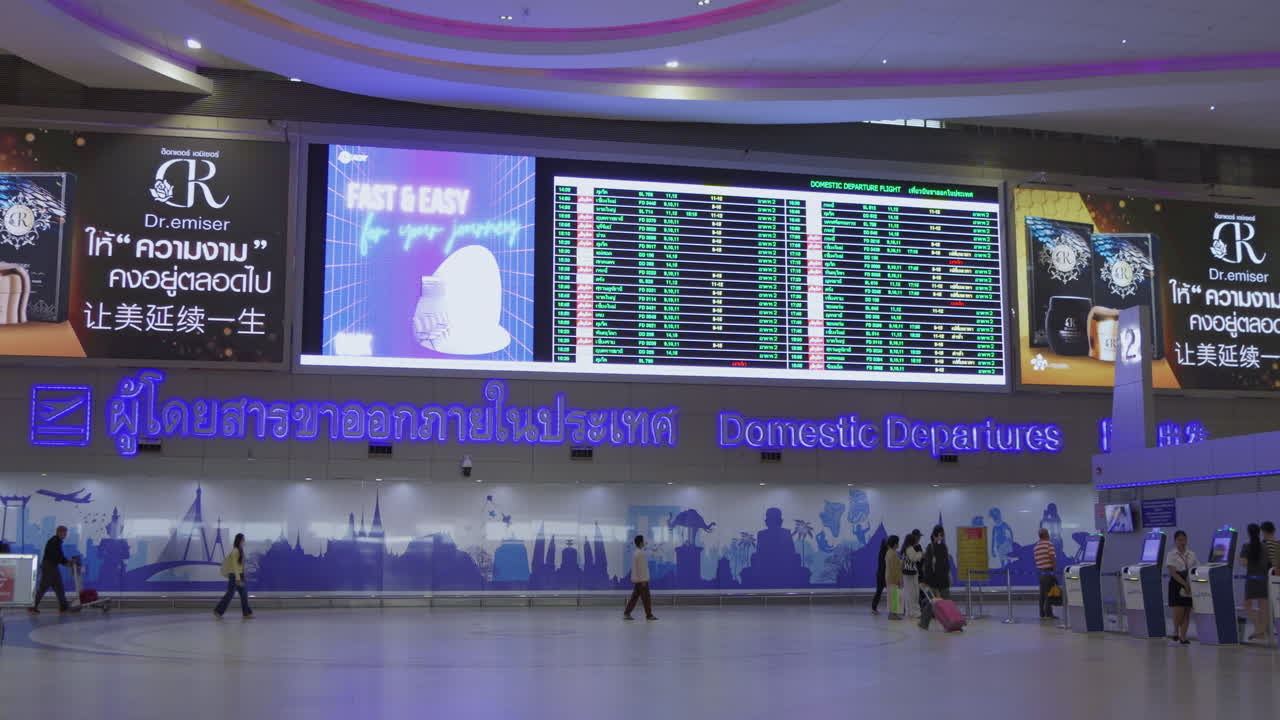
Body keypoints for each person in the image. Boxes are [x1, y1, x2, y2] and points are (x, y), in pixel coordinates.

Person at [28, 526, 72, 615]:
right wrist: (66, 562)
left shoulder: (57, 541)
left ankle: (64, 607)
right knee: (43, 587)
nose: (65, 535)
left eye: (66, 533)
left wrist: (66, 562)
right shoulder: (54, 542)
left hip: (52, 567)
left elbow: (58, 556)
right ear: (59, 532)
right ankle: (32, 607)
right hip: (49, 567)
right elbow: (56, 556)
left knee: (59, 587)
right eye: (64, 533)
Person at [1166, 530, 1196, 645]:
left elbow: (1196, 568)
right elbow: (1173, 572)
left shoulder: (1191, 554)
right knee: (1179, 611)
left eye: (1184, 539)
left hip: (1189, 582)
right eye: (1179, 540)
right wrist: (1184, 584)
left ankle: (1183, 636)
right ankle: (1175, 631)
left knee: (1187, 611)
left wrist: (1190, 583)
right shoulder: (1171, 554)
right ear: (1175, 541)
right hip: (1177, 583)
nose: (1182, 542)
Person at [214, 533, 254, 620]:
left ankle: (246, 613)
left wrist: (244, 573)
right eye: (243, 539)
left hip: (239, 575)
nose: (244, 541)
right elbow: (235, 566)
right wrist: (238, 578)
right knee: (230, 594)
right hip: (235, 576)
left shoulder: (240, 550)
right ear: (239, 540)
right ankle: (218, 611)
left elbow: (240, 565)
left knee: (243, 595)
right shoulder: (235, 551)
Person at [1240, 523, 1269, 640]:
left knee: (1247, 604)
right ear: (1259, 533)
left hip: (1251, 578)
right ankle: (1261, 631)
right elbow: (1267, 563)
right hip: (1263, 578)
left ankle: (1258, 628)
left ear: (1248, 533)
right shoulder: (1264, 547)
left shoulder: (1246, 546)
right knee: (1263, 606)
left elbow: (1243, 563)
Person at [624, 535, 657, 621]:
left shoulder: (636, 553)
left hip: (637, 579)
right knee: (646, 598)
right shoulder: (641, 553)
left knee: (634, 598)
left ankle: (627, 613)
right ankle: (649, 615)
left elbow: (637, 568)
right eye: (643, 541)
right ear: (641, 543)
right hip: (642, 580)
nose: (644, 543)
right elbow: (642, 568)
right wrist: (643, 580)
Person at [1034, 528, 1059, 620]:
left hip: (1041, 573)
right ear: (1046, 535)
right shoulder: (1049, 544)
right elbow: (1052, 557)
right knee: (1049, 593)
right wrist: (1054, 570)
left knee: (1042, 594)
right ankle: (1049, 614)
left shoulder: (1036, 546)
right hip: (1048, 572)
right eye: (1048, 533)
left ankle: (1042, 613)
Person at [901, 530, 923, 620]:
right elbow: (914, 558)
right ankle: (915, 613)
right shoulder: (910, 549)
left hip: (906, 574)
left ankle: (910, 612)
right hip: (911, 574)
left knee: (909, 593)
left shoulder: (905, 549)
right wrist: (921, 554)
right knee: (914, 593)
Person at [883, 535, 903, 620]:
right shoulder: (893, 554)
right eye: (898, 542)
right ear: (895, 544)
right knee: (894, 595)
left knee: (894, 595)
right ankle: (892, 614)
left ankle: (894, 613)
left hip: (890, 577)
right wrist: (897, 580)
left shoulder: (889, 552)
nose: (898, 544)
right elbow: (894, 568)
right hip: (893, 578)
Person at [871, 537, 888, 616]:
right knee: (893, 591)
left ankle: (874, 608)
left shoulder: (882, 552)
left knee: (879, 591)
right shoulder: (886, 552)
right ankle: (895, 609)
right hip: (884, 574)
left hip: (880, 574)